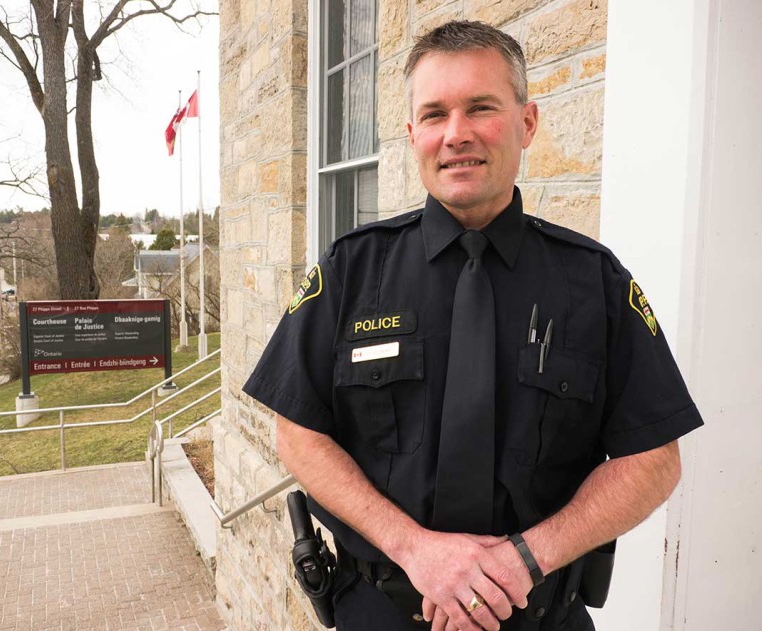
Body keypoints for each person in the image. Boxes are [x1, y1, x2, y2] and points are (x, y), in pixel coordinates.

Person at [243, 20, 703, 631]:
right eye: (434, 114)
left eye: (480, 108)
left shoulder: (595, 282)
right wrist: (415, 550)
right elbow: (298, 432)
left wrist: (524, 560)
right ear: (413, 135)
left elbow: (655, 458)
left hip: (540, 616)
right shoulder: (352, 270)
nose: (456, 134)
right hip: (382, 613)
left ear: (527, 123)